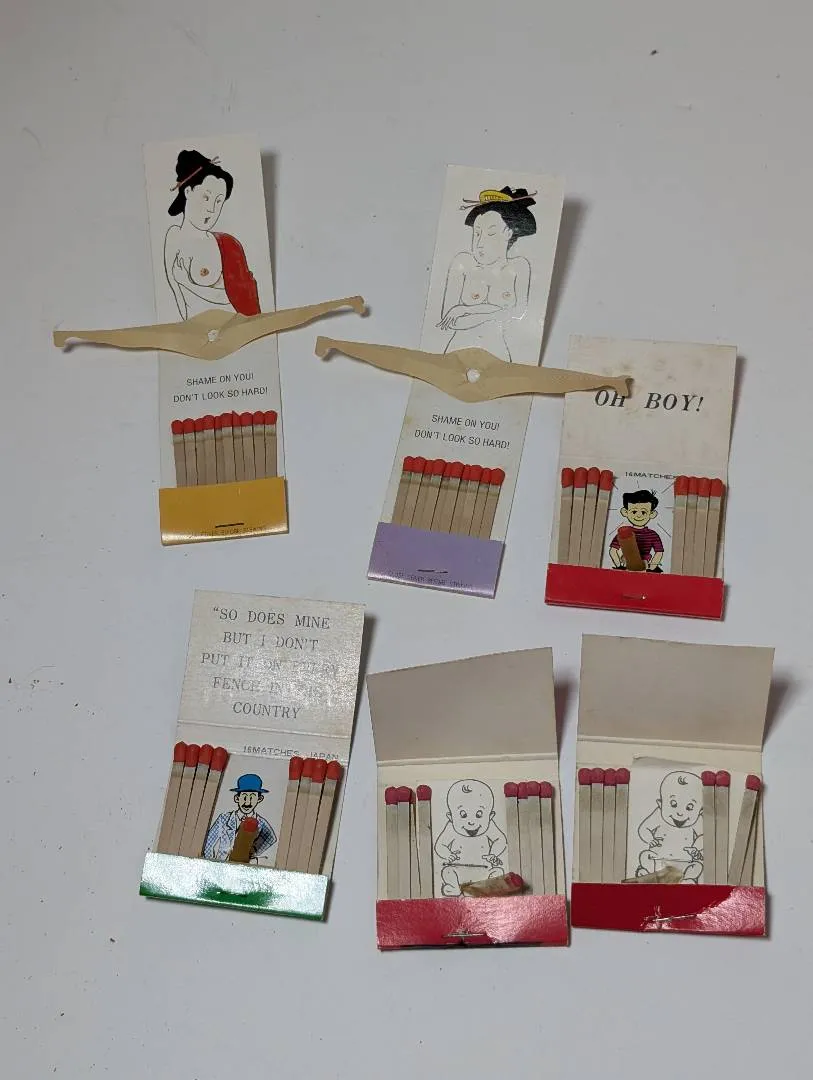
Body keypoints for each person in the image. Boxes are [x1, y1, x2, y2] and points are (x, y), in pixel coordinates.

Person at [437, 186, 536, 362]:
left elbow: (519, 313)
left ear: (508, 233)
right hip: (457, 353)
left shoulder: (519, 267)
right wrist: (499, 312)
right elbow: (451, 321)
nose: (480, 243)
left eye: (491, 233)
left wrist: (466, 309)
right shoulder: (463, 263)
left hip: (498, 355)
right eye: (477, 234)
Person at [164, 149, 260, 320]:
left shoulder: (228, 245)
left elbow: (239, 301)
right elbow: (176, 293)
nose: (212, 209)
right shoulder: (173, 237)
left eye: (219, 201)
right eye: (206, 198)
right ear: (188, 192)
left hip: (233, 328)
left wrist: (185, 282)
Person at [433, 779, 507, 896]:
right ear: (451, 817)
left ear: (490, 816)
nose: (471, 822)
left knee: (498, 872)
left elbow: (500, 840)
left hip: (484, 870)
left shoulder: (490, 826)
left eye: (479, 814)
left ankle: (482, 890)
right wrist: (448, 855)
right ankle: (455, 887)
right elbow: (440, 845)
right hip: (459, 869)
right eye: (463, 815)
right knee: (448, 871)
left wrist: (493, 853)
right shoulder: (450, 827)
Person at [635, 771, 703, 883]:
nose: (680, 813)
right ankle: (650, 874)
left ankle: (685, 880)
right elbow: (644, 828)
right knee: (645, 856)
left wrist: (696, 848)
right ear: (660, 804)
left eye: (690, 807)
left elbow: (704, 836)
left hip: (684, 862)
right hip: (658, 860)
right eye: (673, 804)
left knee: (697, 866)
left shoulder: (698, 821)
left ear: (700, 811)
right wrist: (650, 840)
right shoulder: (658, 815)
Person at [204, 773, 276, 862]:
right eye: (244, 797)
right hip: (221, 863)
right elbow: (209, 842)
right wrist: (210, 862)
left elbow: (271, 838)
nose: (247, 803)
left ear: (259, 799)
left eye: (252, 798)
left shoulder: (261, 822)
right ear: (237, 798)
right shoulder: (224, 818)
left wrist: (252, 851)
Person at [609, 489, 664, 571]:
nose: (638, 515)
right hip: (626, 563)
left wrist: (651, 568)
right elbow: (613, 550)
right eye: (634, 512)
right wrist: (619, 566)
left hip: (644, 565)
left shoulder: (652, 534)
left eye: (643, 512)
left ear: (652, 514)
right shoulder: (624, 532)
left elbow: (659, 552)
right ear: (625, 512)